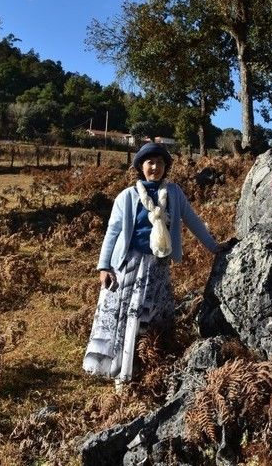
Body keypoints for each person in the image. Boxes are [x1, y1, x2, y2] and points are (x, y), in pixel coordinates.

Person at [83, 142, 224, 390]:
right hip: (128, 267)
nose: (155, 167)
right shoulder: (127, 196)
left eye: (160, 163)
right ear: (140, 166)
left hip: (157, 268)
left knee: (150, 319)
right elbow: (112, 232)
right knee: (125, 318)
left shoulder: (174, 194)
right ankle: (121, 373)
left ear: (165, 167)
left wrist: (214, 247)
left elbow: (192, 220)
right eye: (150, 162)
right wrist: (104, 266)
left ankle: (147, 366)